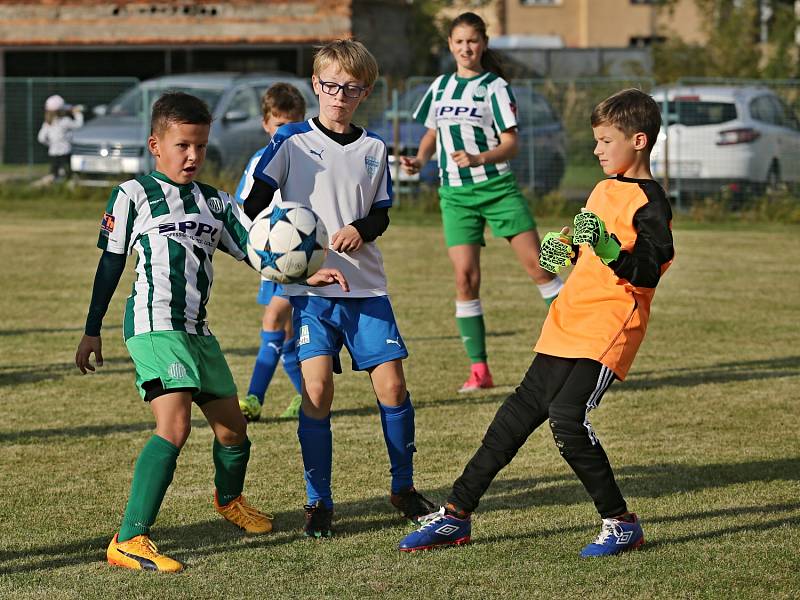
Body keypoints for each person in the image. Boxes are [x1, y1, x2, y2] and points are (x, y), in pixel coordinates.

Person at [74, 91, 347, 572]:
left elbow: (260, 253)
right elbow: (110, 264)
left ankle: (228, 500)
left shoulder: (215, 203)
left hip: (199, 332)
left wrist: (306, 273)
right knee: (175, 426)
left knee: (233, 430)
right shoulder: (132, 194)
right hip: (155, 326)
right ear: (155, 144)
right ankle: (129, 538)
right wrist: (91, 328)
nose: (193, 156)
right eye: (182, 145)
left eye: (200, 145)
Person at [398, 88, 675, 557]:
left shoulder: (650, 201)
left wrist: (609, 249)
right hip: (567, 320)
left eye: (606, 141)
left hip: (608, 328)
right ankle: (454, 517)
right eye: (597, 140)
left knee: (568, 420)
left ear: (640, 140)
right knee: (512, 419)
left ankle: (621, 522)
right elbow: (584, 237)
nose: (596, 149)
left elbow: (649, 269)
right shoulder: (603, 187)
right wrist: (563, 248)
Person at [243, 39, 435, 539]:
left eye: (351, 88)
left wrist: (360, 229)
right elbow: (253, 208)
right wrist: (294, 266)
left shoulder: (374, 149)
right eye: (331, 86)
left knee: (393, 386)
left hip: (366, 286)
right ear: (316, 85)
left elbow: (381, 213)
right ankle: (318, 501)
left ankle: (403, 487)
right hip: (311, 293)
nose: (339, 95)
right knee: (317, 390)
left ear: (364, 92)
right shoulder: (289, 143)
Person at [400, 12, 563, 393]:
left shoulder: (496, 88)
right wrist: (420, 160)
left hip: (498, 190)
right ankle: (480, 370)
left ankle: (580, 347)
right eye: (459, 41)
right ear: (451, 46)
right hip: (455, 196)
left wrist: (479, 158)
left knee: (540, 269)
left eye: (472, 40)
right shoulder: (440, 86)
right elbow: (431, 132)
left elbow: (511, 143)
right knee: (464, 279)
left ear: (483, 44)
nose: (466, 48)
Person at [235, 83, 307, 423]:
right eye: (279, 124)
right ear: (266, 124)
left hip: (300, 256)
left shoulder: (309, 157)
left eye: (292, 124)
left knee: (274, 320)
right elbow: (243, 207)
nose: (285, 131)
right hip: (270, 257)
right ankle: (307, 395)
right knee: (287, 333)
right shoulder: (257, 162)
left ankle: (253, 397)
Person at [37, 94, 84, 183]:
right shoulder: (65, 121)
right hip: (65, 153)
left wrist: (51, 144)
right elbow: (79, 125)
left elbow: (41, 138)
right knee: (68, 175)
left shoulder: (47, 123)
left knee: (54, 175)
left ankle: (56, 189)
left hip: (53, 153)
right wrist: (77, 113)